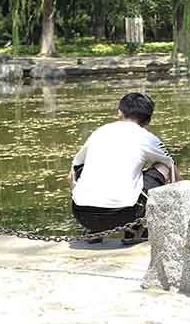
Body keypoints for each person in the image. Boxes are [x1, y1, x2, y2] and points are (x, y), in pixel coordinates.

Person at [69, 92, 180, 245]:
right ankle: (135, 230)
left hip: (82, 214)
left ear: (119, 113)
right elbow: (173, 170)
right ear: (148, 120)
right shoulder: (147, 138)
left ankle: (94, 230)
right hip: (124, 214)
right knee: (164, 167)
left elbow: (73, 173)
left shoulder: (99, 132)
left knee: (81, 168)